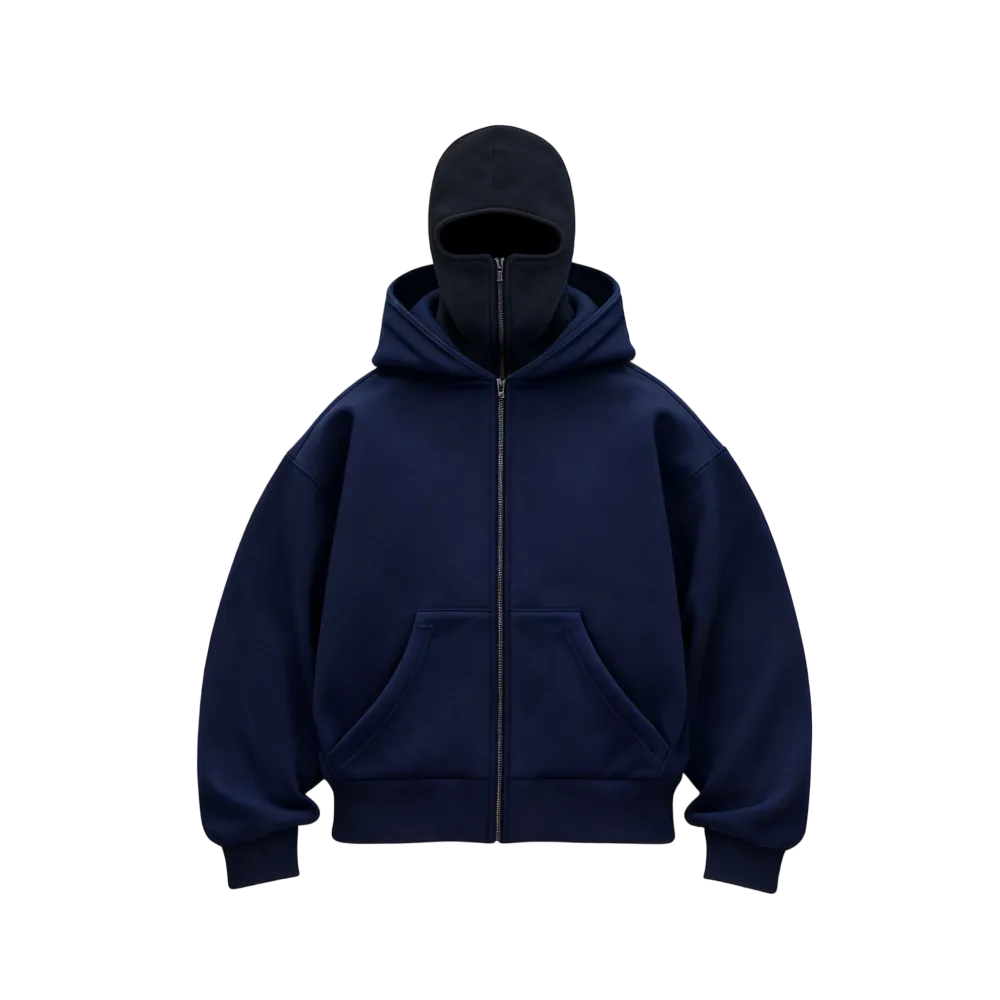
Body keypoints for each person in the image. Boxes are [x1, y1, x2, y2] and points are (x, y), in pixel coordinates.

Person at [197, 124, 811, 892]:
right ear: (433, 243)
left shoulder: (654, 431)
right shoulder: (356, 431)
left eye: (529, 238)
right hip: (372, 847)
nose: (499, 260)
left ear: (566, 244)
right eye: (468, 239)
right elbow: (264, 626)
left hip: (631, 848)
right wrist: (257, 835)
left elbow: (746, 627)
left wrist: (748, 838)